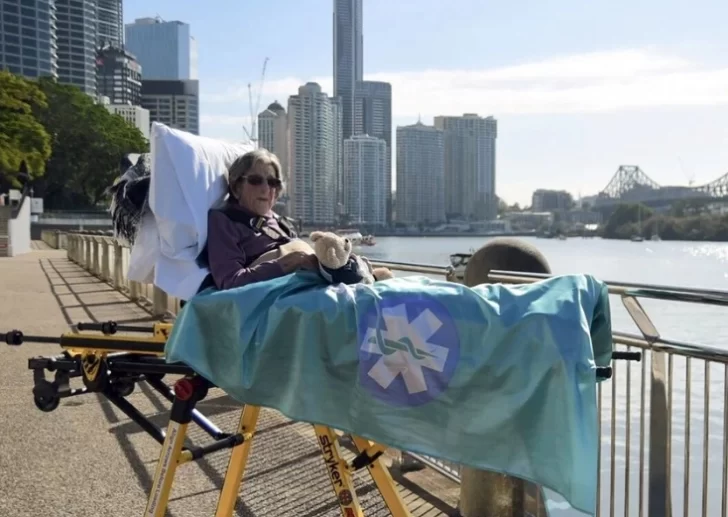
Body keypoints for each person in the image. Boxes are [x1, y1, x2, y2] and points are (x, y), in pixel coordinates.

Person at [205, 149, 318, 290]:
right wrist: (285, 264)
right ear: (237, 187)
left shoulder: (281, 222)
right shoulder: (224, 222)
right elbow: (230, 281)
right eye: (255, 181)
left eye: (272, 182)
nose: (265, 189)